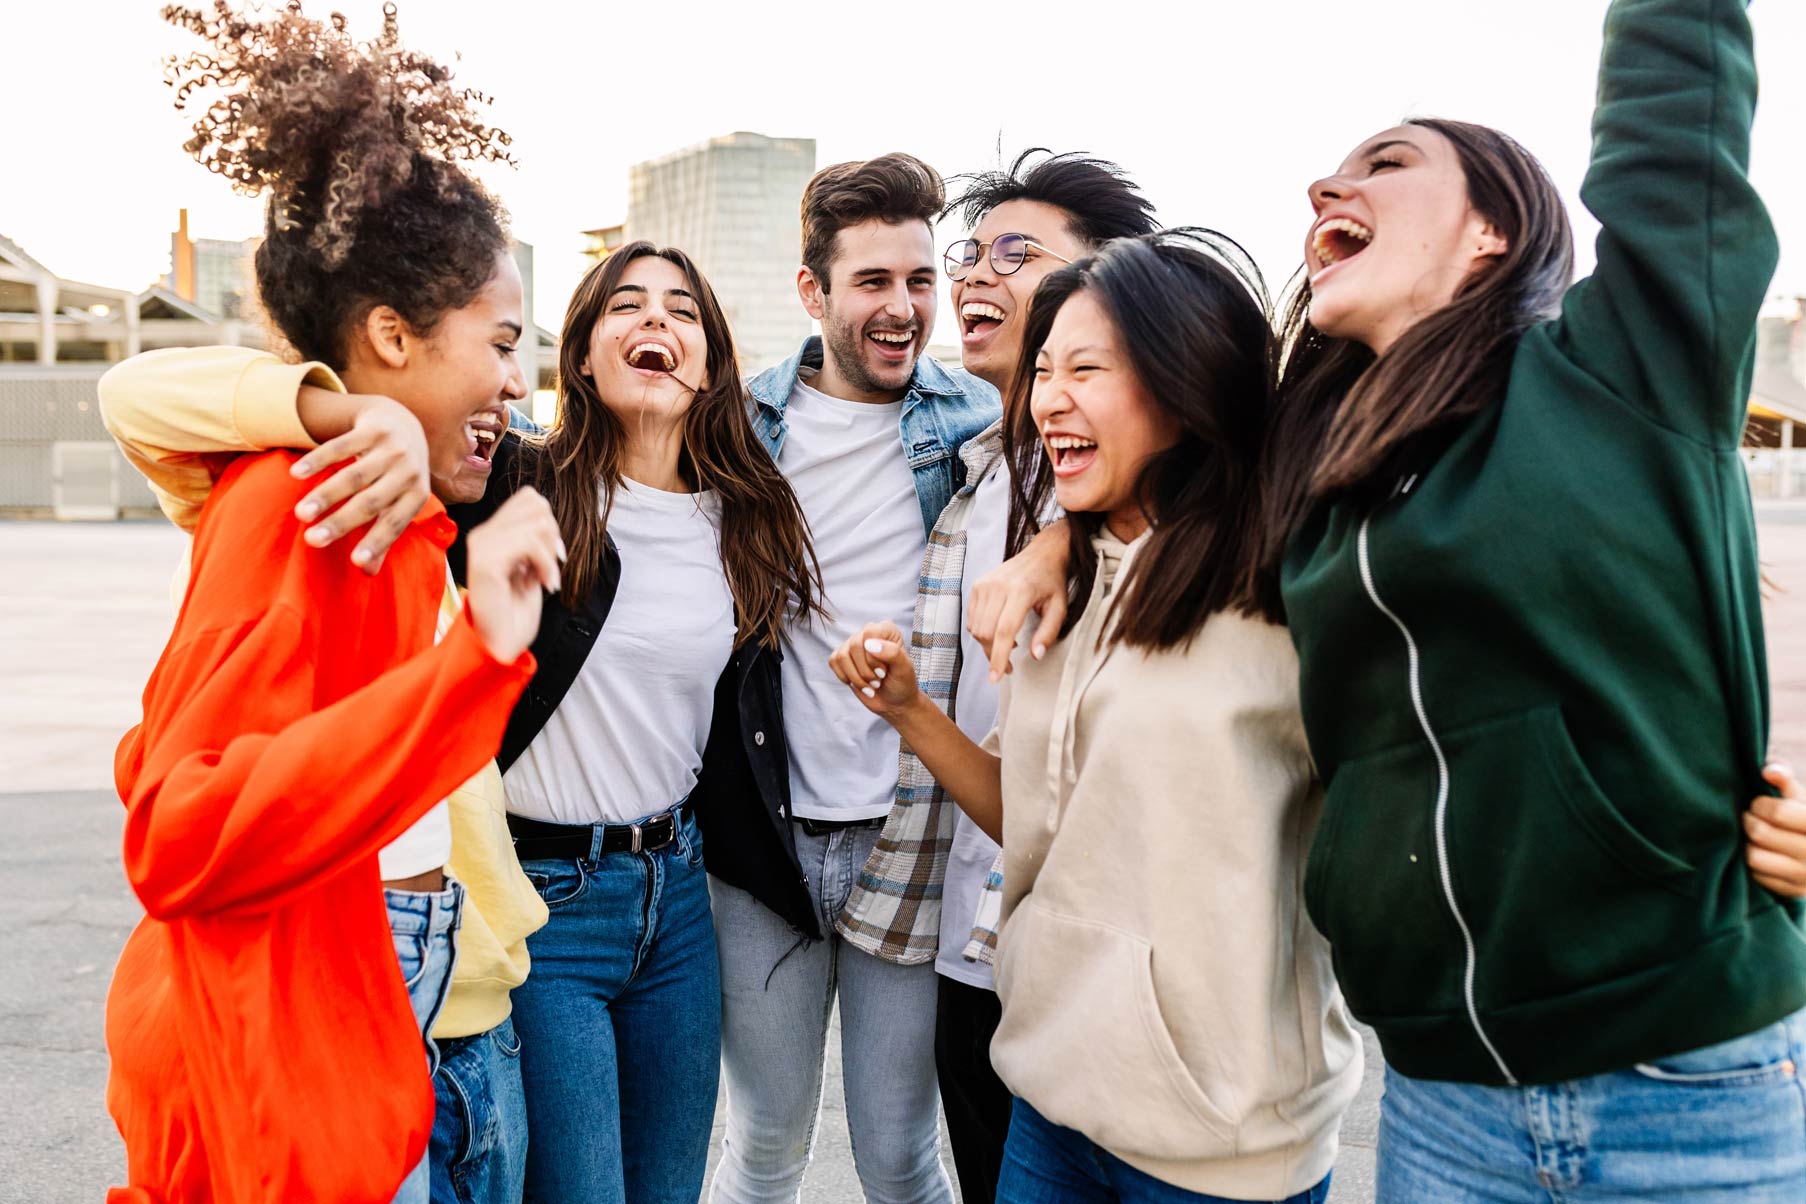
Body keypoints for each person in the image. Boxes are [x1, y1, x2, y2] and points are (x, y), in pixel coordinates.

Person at [969, 1, 1806, 1198]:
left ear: (1494, 230)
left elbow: (1679, 104)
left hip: (1681, 1072)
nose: (1327, 184)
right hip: (1444, 1095)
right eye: (1331, 170)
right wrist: (1063, 535)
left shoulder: (1622, 378)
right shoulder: (1318, 476)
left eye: (1388, 163)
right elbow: (1175, 460)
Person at [101, 4, 559, 1202]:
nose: (518, 379)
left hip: (384, 996)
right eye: (501, 341)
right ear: (393, 334)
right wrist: (474, 665)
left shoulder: (397, 519)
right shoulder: (301, 507)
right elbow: (180, 834)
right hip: (294, 1074)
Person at [831, 232, 1357, 1204]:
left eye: (1087, 369)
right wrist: (908, 711)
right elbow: (1032, 820)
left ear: (1183, 380)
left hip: (1224, 1146)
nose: (1048, 398)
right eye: (1042, 370)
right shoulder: (1062, 582)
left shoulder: (1287, 587)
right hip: (1053, 1101)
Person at [834, 148, 1156, 1204]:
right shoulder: (972, 473)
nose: (972, 275)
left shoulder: (1155, 488)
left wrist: (1069, 535)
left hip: (1100, 962)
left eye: (1016, 254)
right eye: (970, 253)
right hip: (975, 936)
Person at [707, 153, 997, 1204]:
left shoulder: (972, 423)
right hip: (766, 847)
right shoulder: (738, 427)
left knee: (900, 1157)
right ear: (813, 291)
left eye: (920, 279)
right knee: (768, 1145)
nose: (903, 307)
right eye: (872, 281)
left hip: (908, 837)